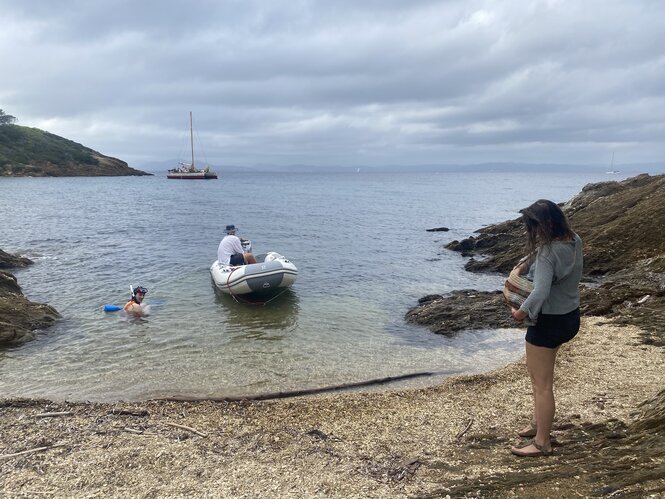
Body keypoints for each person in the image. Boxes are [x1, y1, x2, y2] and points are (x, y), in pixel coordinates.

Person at [509, 199, 583, 457]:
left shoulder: (548, 254)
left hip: (548, 322)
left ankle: (542, 443)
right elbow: (548, 264)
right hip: (570, 317)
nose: (533, 231)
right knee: (542, 380)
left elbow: (539, 291)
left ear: (548, 223)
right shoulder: (574, 240)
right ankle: (538, 422)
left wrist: (520, 312)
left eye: (535, 226)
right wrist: (530, 261)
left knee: (541, 384)